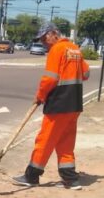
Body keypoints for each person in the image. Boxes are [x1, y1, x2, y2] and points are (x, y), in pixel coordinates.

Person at [12, 23, 89, 189]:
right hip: (74, 104)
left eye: (44, 38)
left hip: (59, 103)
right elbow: (86, 74)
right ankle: (71, 179)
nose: (43, 43)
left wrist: (40, 96)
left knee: (45, 140)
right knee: (66, 142)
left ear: (53, 34)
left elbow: (50, 79)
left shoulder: (57, 50)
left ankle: (31, 176)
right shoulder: (75, 48)